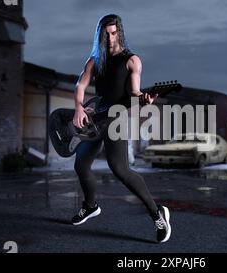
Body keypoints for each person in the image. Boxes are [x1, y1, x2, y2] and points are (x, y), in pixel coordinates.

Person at [71, 14, 171, 243]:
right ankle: (90, 206)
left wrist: (144, 98)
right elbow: (81, 84)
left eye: (114, 33)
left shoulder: (132, 60)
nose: (110, 38)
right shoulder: (95, 60)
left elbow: (134, 92)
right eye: (105, 34)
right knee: (81, 164)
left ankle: (158, 214)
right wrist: (78, 107)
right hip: (95, 117)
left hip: (117, 119)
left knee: (120, 169)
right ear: (100, 35)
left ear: (120, 32)